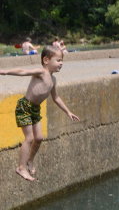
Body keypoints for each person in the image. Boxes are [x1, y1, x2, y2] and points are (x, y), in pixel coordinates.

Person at [0, 45, 80, 181]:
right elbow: (22, 71)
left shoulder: (53, 80)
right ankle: (21, 168)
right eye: (58, 60)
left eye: (62, 61)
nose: (61, 63)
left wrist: (68, 112)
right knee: (29, 138)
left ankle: (30, 160)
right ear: (46, 60)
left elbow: (56, 98)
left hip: (35, 109)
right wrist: (5, 71)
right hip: (25, 106)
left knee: (39, 138)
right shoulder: (41, 72)